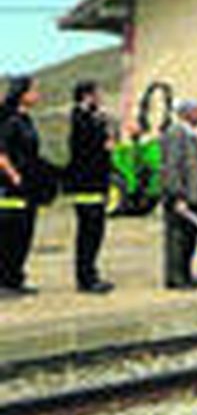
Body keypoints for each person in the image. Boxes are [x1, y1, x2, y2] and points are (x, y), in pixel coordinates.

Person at [63, 80, 115, 293]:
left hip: (97, 183)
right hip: (87, 184)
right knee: (88, 233)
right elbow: (88, 148)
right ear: (87, 95)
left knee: (96, 233)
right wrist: (105, 143)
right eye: (97, 93)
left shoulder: (93, 117)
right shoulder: (80, 118)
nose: (101, 97)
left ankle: (91, 273)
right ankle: (85, 278)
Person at [0, 76, 47, 296]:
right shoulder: (10, 121)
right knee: (10, 235)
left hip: (29, 186)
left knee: (24, 235)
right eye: (34, 90)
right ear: (22, 94)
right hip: (12, 188)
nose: (38, 94)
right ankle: (4, 282)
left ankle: (15, 278)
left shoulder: (26, 120)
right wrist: (14, 176)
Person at [160, 99, 197, 290]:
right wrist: (177, 194)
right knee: (177, 237)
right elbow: (172, 166)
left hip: (193, 194)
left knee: (189, 237)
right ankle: (176, 277)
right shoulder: (175, 133)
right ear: (186, 113)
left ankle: (186, 273)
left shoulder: (190, 133)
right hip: (180, 195)